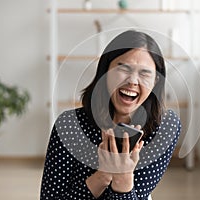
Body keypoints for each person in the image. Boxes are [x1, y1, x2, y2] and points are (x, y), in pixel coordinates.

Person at [40, 30, 181, 200]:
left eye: (144, 73)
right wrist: (103, 176)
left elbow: (139, 195)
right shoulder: (69, 125)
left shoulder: (166, 126)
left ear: (155, 81)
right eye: (123, 68)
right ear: (105, 72)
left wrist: (123, 177)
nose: (133, 81)